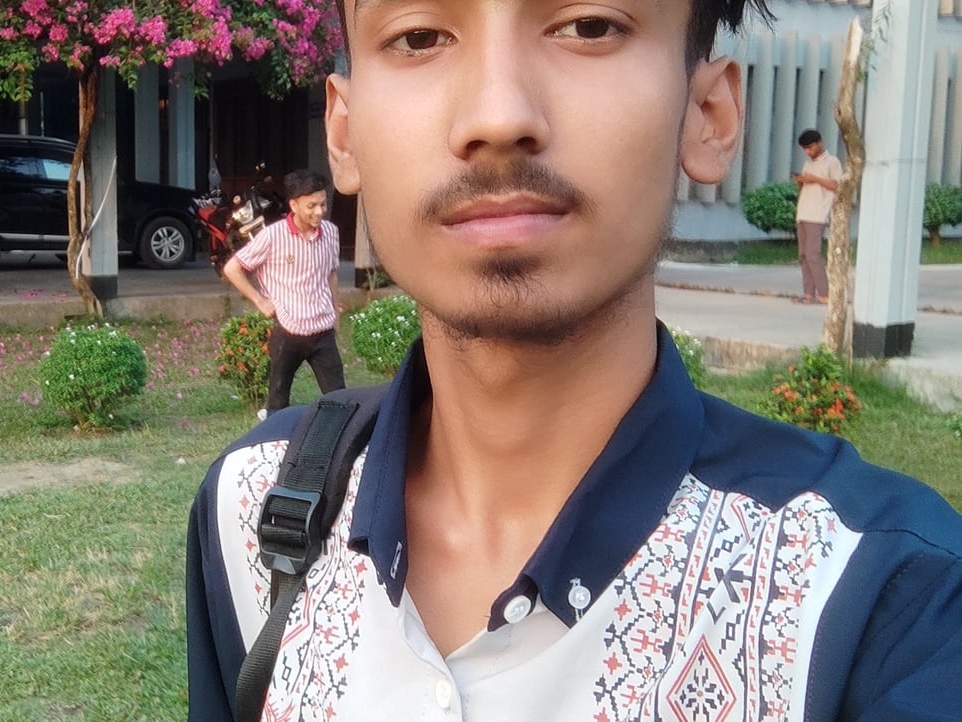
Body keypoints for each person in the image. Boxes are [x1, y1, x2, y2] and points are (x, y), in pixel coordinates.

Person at [188, 1, 962, 720]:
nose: (497, 117)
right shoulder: (253, 509)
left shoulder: (882, 602)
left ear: (707, 114)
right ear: (345, 132)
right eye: (419, 36)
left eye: (589, 25)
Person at [221, 169, 345, 416]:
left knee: (340, 400)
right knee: (277, 401)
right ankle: (275, 434)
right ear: (294, 205)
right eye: (311, 206)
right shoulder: (272, 236)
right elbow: (232, 268)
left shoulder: (331, 232)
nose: (319, 212)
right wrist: (259, 300)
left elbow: (331, 273)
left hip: (322, 330)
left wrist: (335, 311)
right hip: (288, 330)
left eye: (323, 204)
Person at [792, 129, 841, 304]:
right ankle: (808, 293)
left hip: (818, 213)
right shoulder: (807, 163)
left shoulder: (832, 162)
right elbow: (805, 188)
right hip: (803, 212)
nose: (808, 151)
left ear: (819, 143)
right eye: (805, 149)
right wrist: (801, 181)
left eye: (811, 147)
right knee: (803, 255)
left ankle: (824, 293)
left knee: (813, 254)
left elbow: (837, 185)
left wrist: (815, 179)